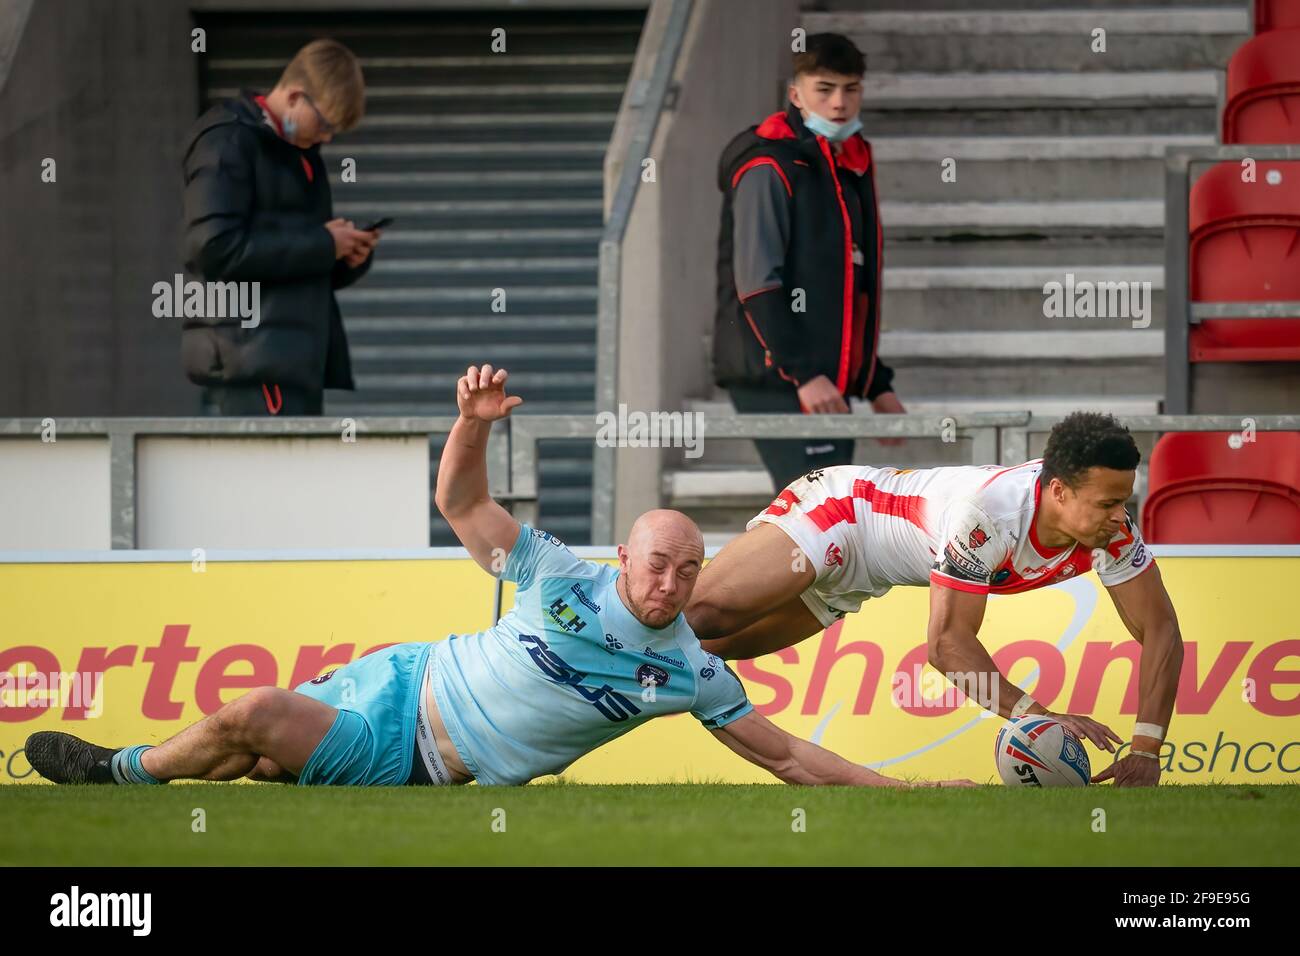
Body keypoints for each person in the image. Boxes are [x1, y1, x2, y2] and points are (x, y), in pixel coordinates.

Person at [25, 364, 974, 790]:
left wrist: (901, 795)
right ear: (623, 559)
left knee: (257, 724)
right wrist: (474, 422)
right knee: (255, 752)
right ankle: (136, 771)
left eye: (689, 571)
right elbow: (461, 509)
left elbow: (790, 758)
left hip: (422, 760)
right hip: (397, 679)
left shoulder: (691, 669)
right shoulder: (560, 574)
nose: (673, 583)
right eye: (658, 563)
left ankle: (115, 772)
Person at [686, 412, 1185, 787]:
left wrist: (1146, 746)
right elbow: (948, 646)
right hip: (841, 512)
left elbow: (1161, 629)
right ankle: (608, 633)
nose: (1121, 516)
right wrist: (1035, 714)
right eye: (1107, 503)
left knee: (708, 650)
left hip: (863, 578)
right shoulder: (991, 514)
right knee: (701, 616)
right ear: (1057, 491)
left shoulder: (1113, 532)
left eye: (1126, 500)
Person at [714, 32, 904, 492]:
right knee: (812, 510)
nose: (839, 102)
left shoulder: (846, 165)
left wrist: (874, 382)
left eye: (851, 89)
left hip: (826, 379)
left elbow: (849, 287)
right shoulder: (769, 163)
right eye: (825, 89)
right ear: (796, 94)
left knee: (833, 513)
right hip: (778, 376)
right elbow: (757, 283)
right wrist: (804, 372)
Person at [181, 38, 378, 416]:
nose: (326, 137)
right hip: (250, 363)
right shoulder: (227, 142)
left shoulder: (301, 157)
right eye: (323, 122)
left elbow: (291, 265)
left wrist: (346, 256)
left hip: (291, 363)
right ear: (294, 96)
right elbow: (213, 248)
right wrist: (323, 243)